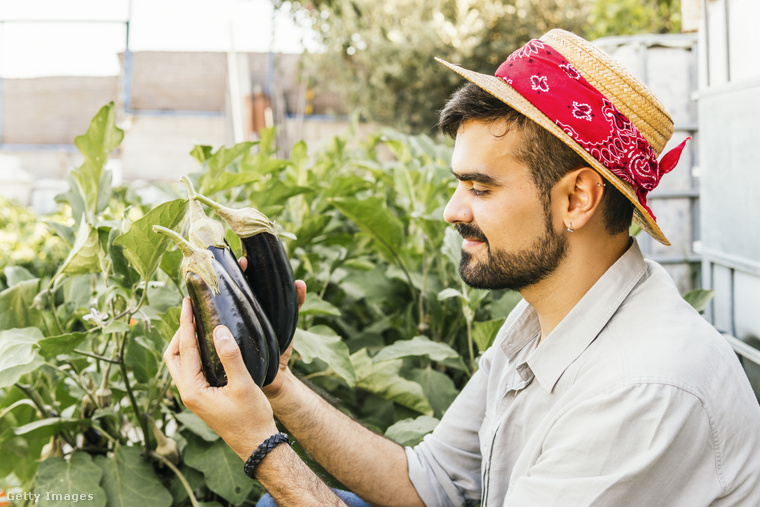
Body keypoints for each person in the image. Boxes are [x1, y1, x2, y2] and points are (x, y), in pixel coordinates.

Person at [163, 29, 760, 506]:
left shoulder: (643, 388)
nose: (452, 211)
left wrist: (259, 445)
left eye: (481, 186)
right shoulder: (545, 318)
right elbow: (430, 484)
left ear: (576, 199)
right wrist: (275, 387)